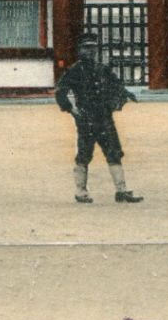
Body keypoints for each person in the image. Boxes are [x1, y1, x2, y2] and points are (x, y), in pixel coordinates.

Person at [55, 34, 142, 204]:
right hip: (86, 119)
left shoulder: (102, 69)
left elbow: (116, 84)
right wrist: (72, 110)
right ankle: (81, 192)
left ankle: (121, 190)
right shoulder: (74, 71)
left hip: (104, 117)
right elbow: (60, 92)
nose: (90, 51)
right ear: (79, 50)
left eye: (93, 47)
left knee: (114, 152)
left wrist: (126, 94)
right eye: (86, 47)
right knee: (84, 153)